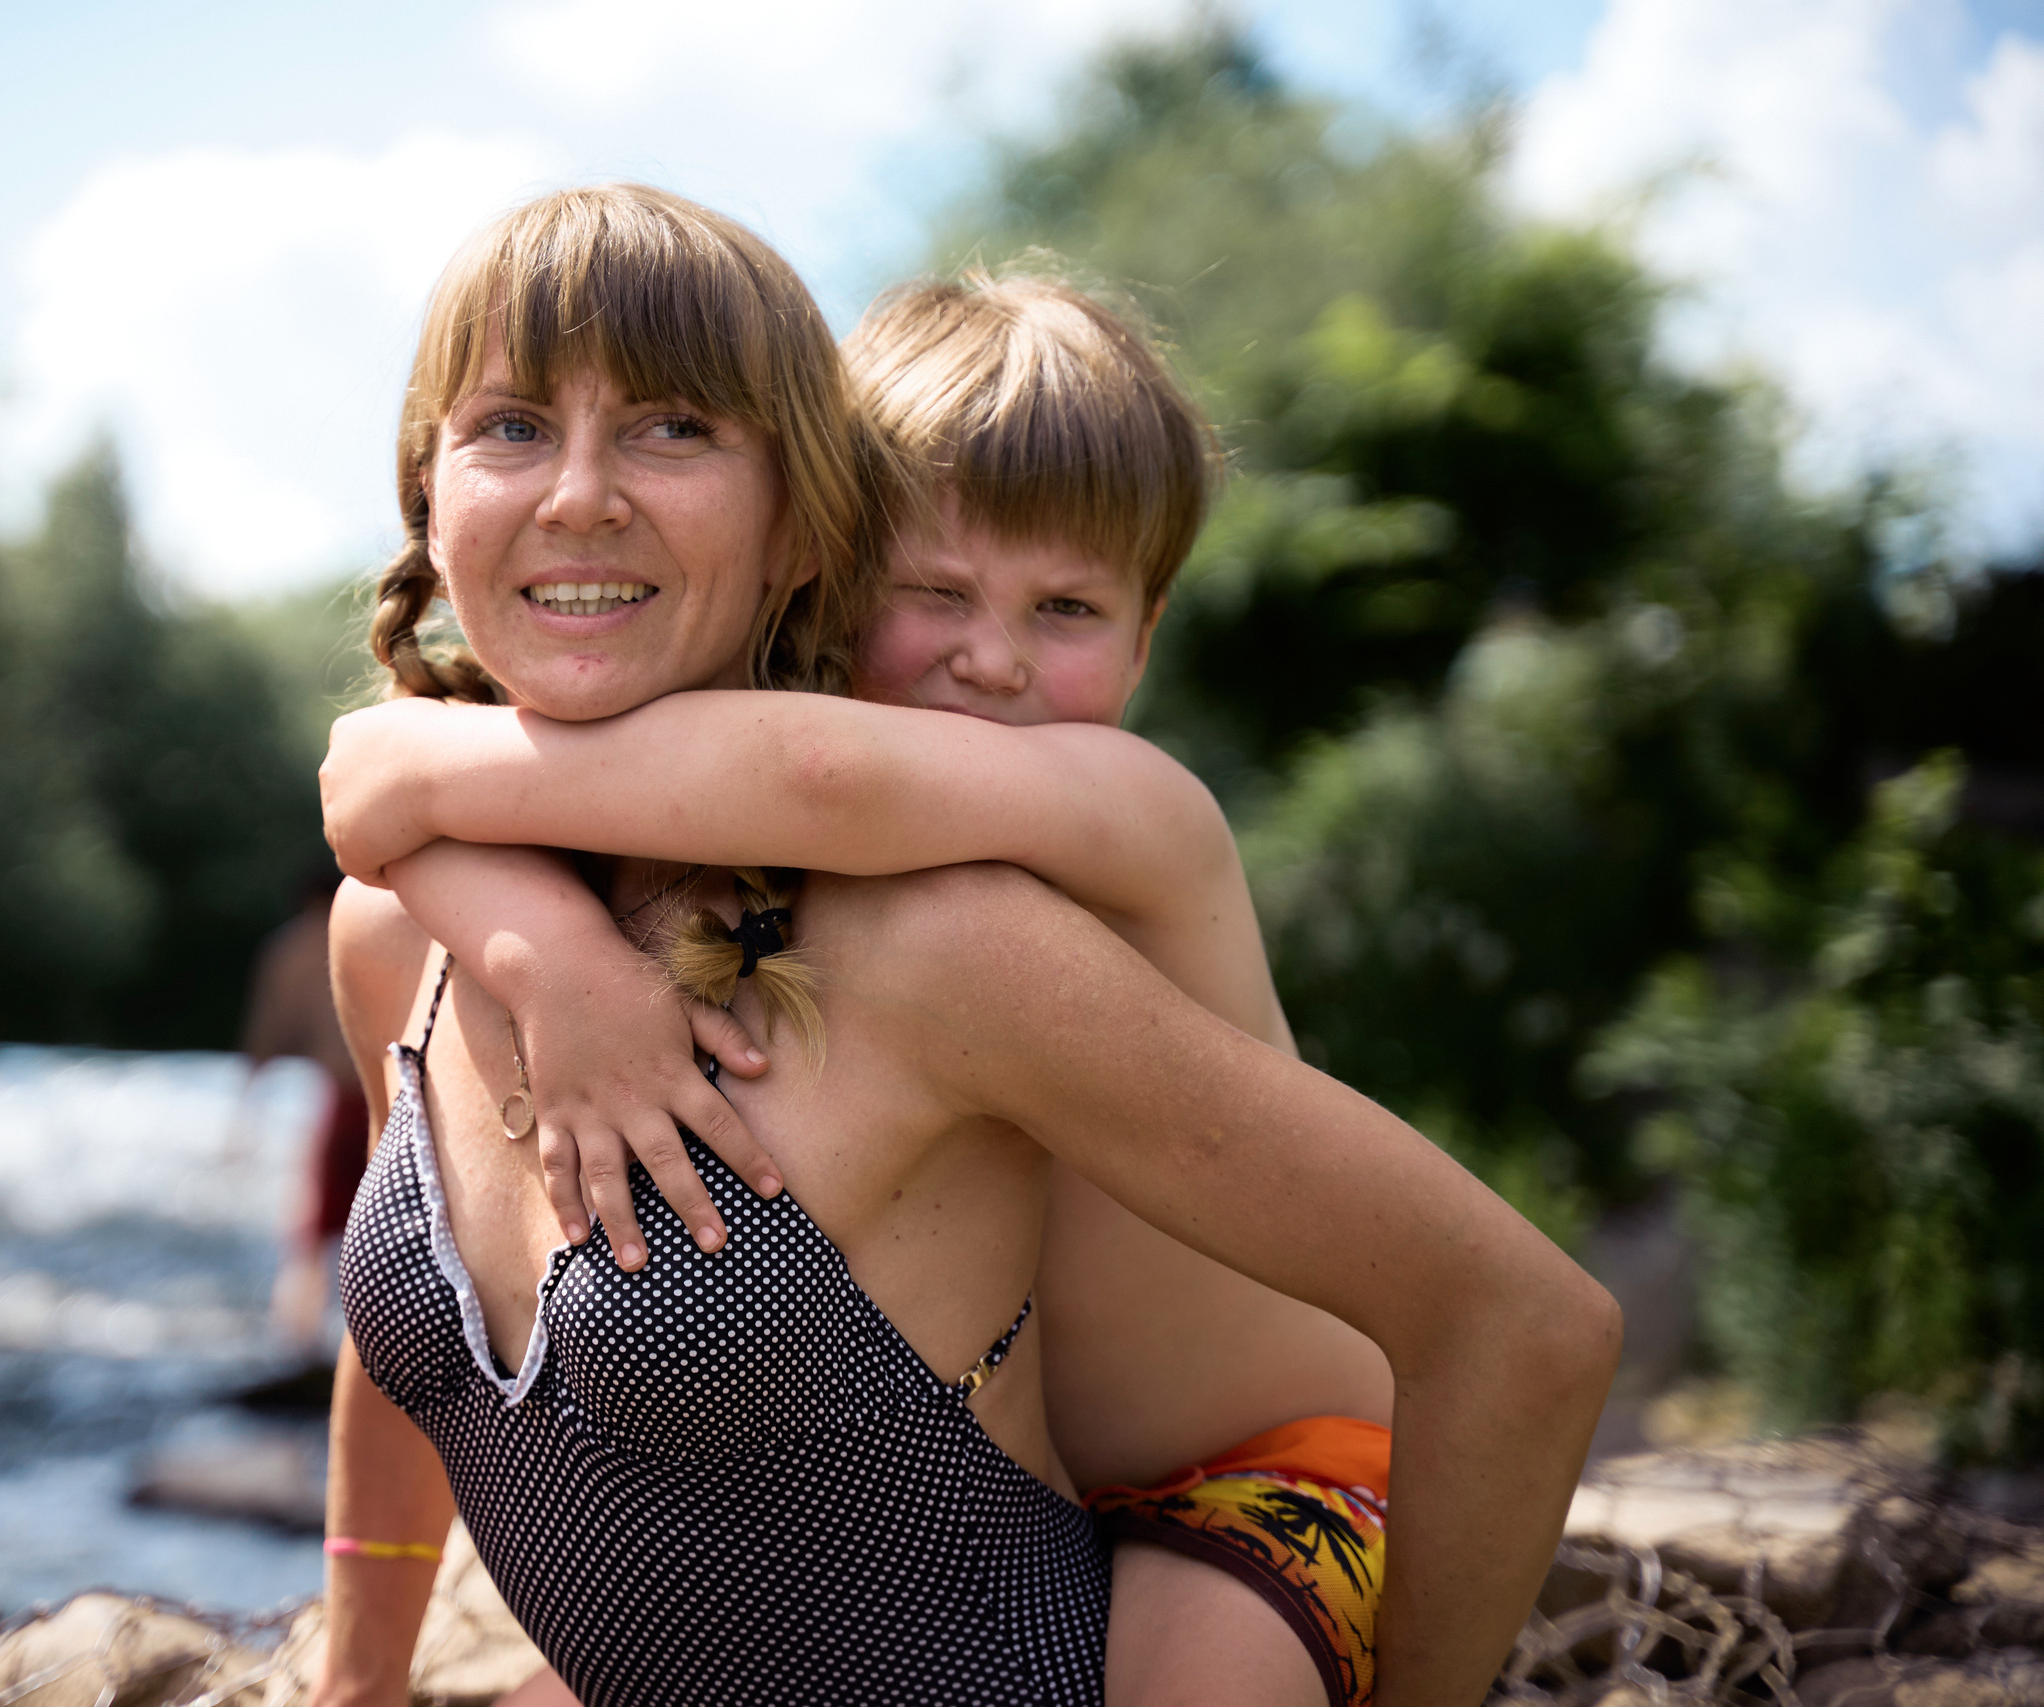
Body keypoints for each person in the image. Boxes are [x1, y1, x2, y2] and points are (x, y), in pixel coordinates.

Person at [313, 183, 1618, 1707]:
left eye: (1065, 605)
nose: (989, 660)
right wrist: (521, 923)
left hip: (1263, 1475)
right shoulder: (440, 922)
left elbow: (818, 777)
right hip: (1017, 1490)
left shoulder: (1096, 828)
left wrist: (405, 771)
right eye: (931, 593)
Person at [232, 868, 370, 1350]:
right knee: (383, 1228)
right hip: (388, 1097)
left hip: (340, 1094)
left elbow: (267, 1032)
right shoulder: (372, 931)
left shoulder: (288, 948)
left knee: (312, 1230)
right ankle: (349, 1345)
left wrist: (246, 1106)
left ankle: (297, 1336)